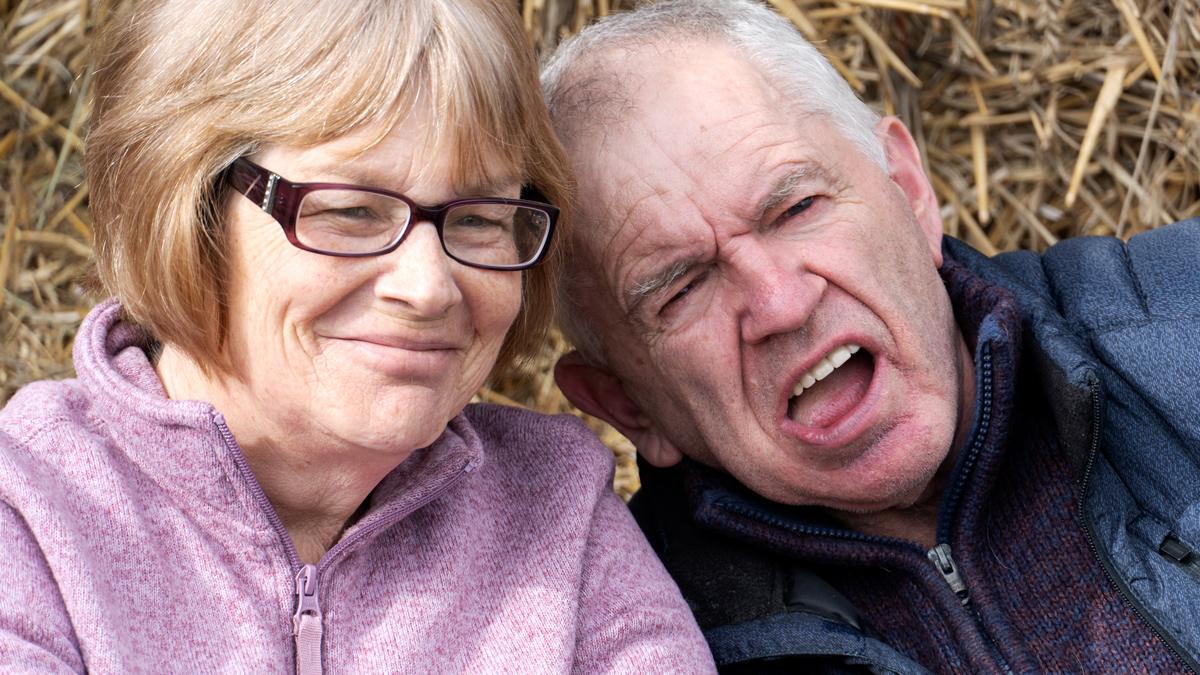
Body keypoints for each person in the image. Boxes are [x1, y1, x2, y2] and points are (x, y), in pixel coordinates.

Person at [0, 0, 718, 672]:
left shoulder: (555, 513)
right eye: (349, 212)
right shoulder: (31, 515)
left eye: (478, 218)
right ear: (183, 204)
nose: (429, 286)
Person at [540, 0, 1200, 672]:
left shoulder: (1185, 313)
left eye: (797, 207)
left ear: (910, 189)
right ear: (626, 404)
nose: (781, 303)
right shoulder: (627, 644)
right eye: (681, 288)